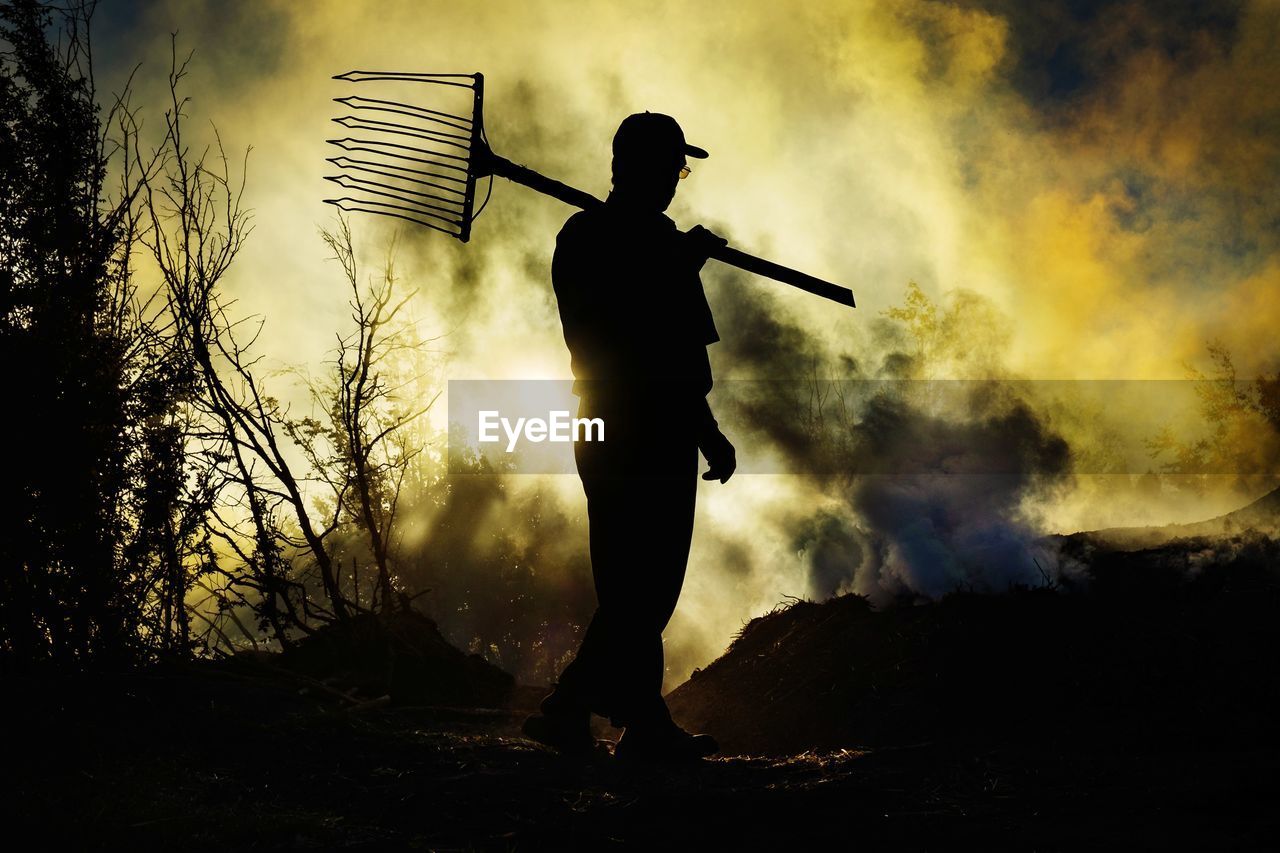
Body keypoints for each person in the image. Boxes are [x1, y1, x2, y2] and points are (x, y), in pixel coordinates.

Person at [521, 112, 736, 762]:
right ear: (638, 168)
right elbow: (608, 338)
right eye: (672, 166)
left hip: (668, 425)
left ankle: (630, 721)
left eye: (681, 168)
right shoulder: (589, 238)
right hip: (618, 427)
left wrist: (707, 433)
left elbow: (682, 357)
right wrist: (672, 266)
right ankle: (591, 714)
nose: (677, 179)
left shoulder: (661, 241)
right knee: (634, 584)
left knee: (649, 584)